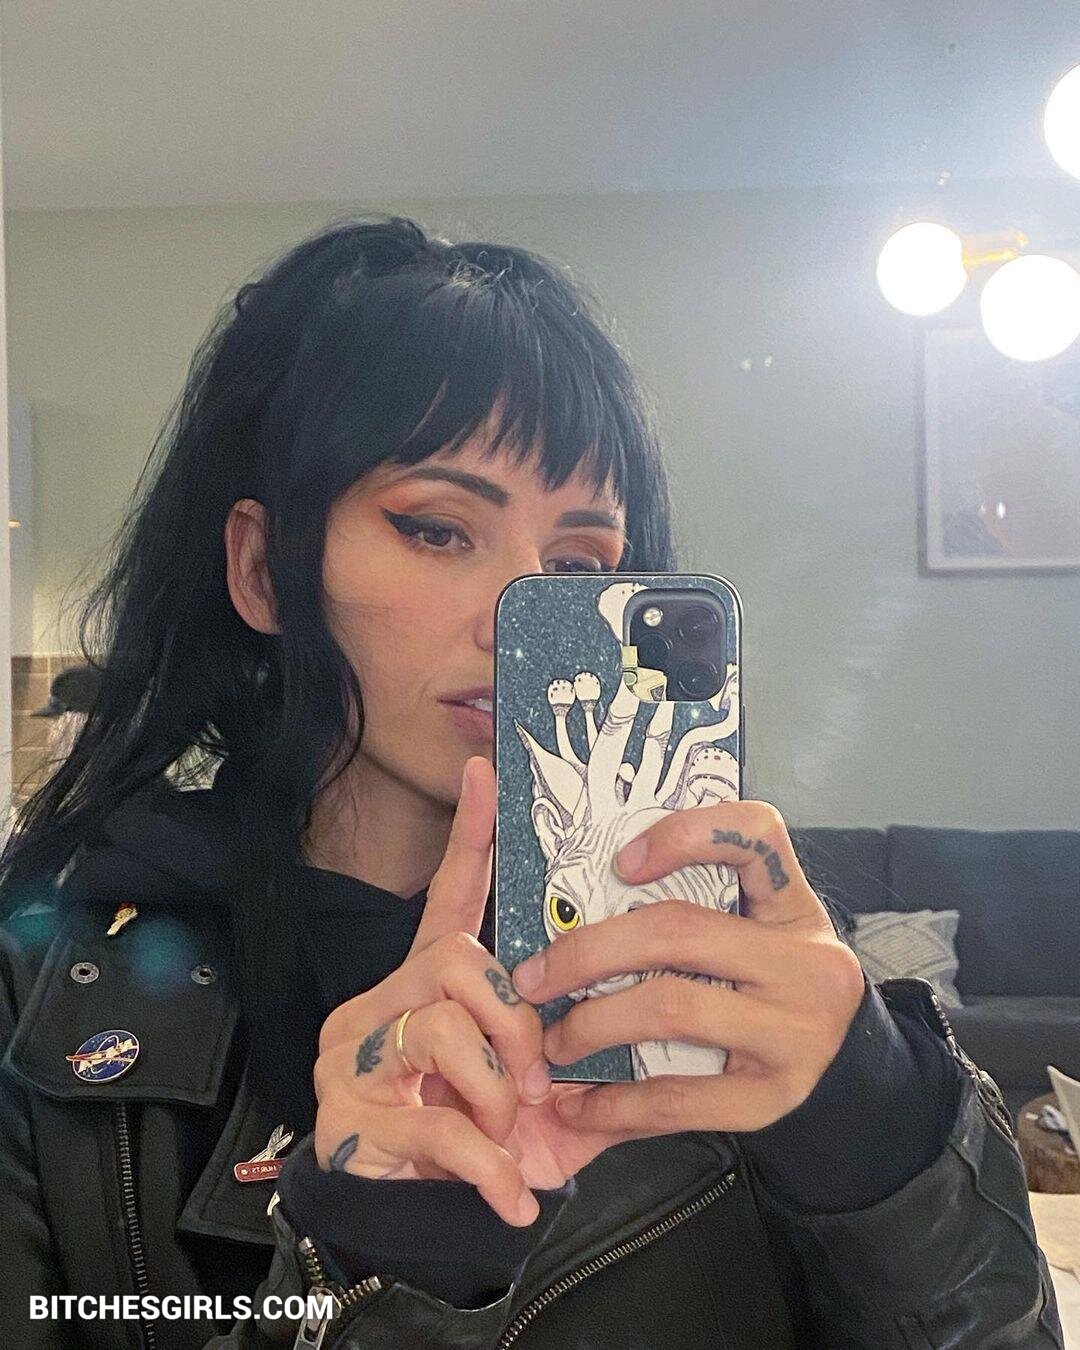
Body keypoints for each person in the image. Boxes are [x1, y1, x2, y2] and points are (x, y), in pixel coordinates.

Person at [0, 215, 1062, 1349]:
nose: (519, 617)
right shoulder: (46, 993)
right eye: (437, 530)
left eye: (577, 563)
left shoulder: (719, 973)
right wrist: (371, 1263)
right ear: (264, 568)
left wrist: (879, 1123)